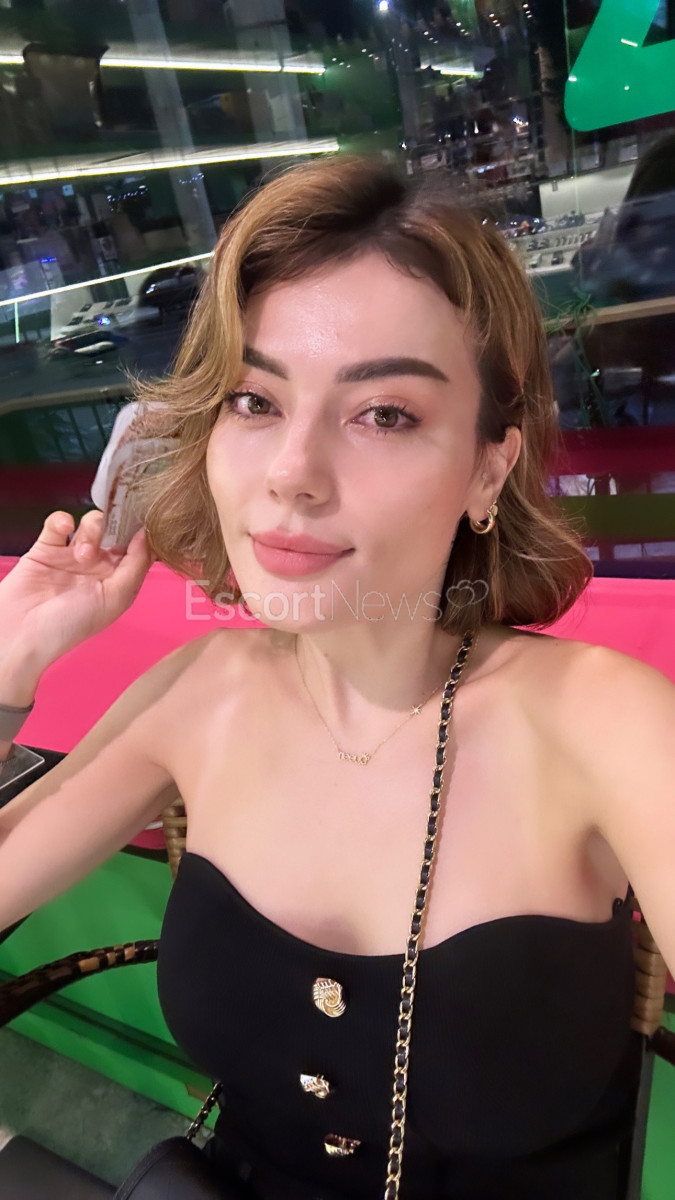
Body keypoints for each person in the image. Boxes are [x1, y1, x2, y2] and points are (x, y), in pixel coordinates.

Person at [0, 155, 673, 1200]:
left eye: (384, 413)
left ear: (488, 467)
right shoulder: (204, 690)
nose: (292, 474)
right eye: (254, 400)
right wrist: (9, 669)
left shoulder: (604, 724)